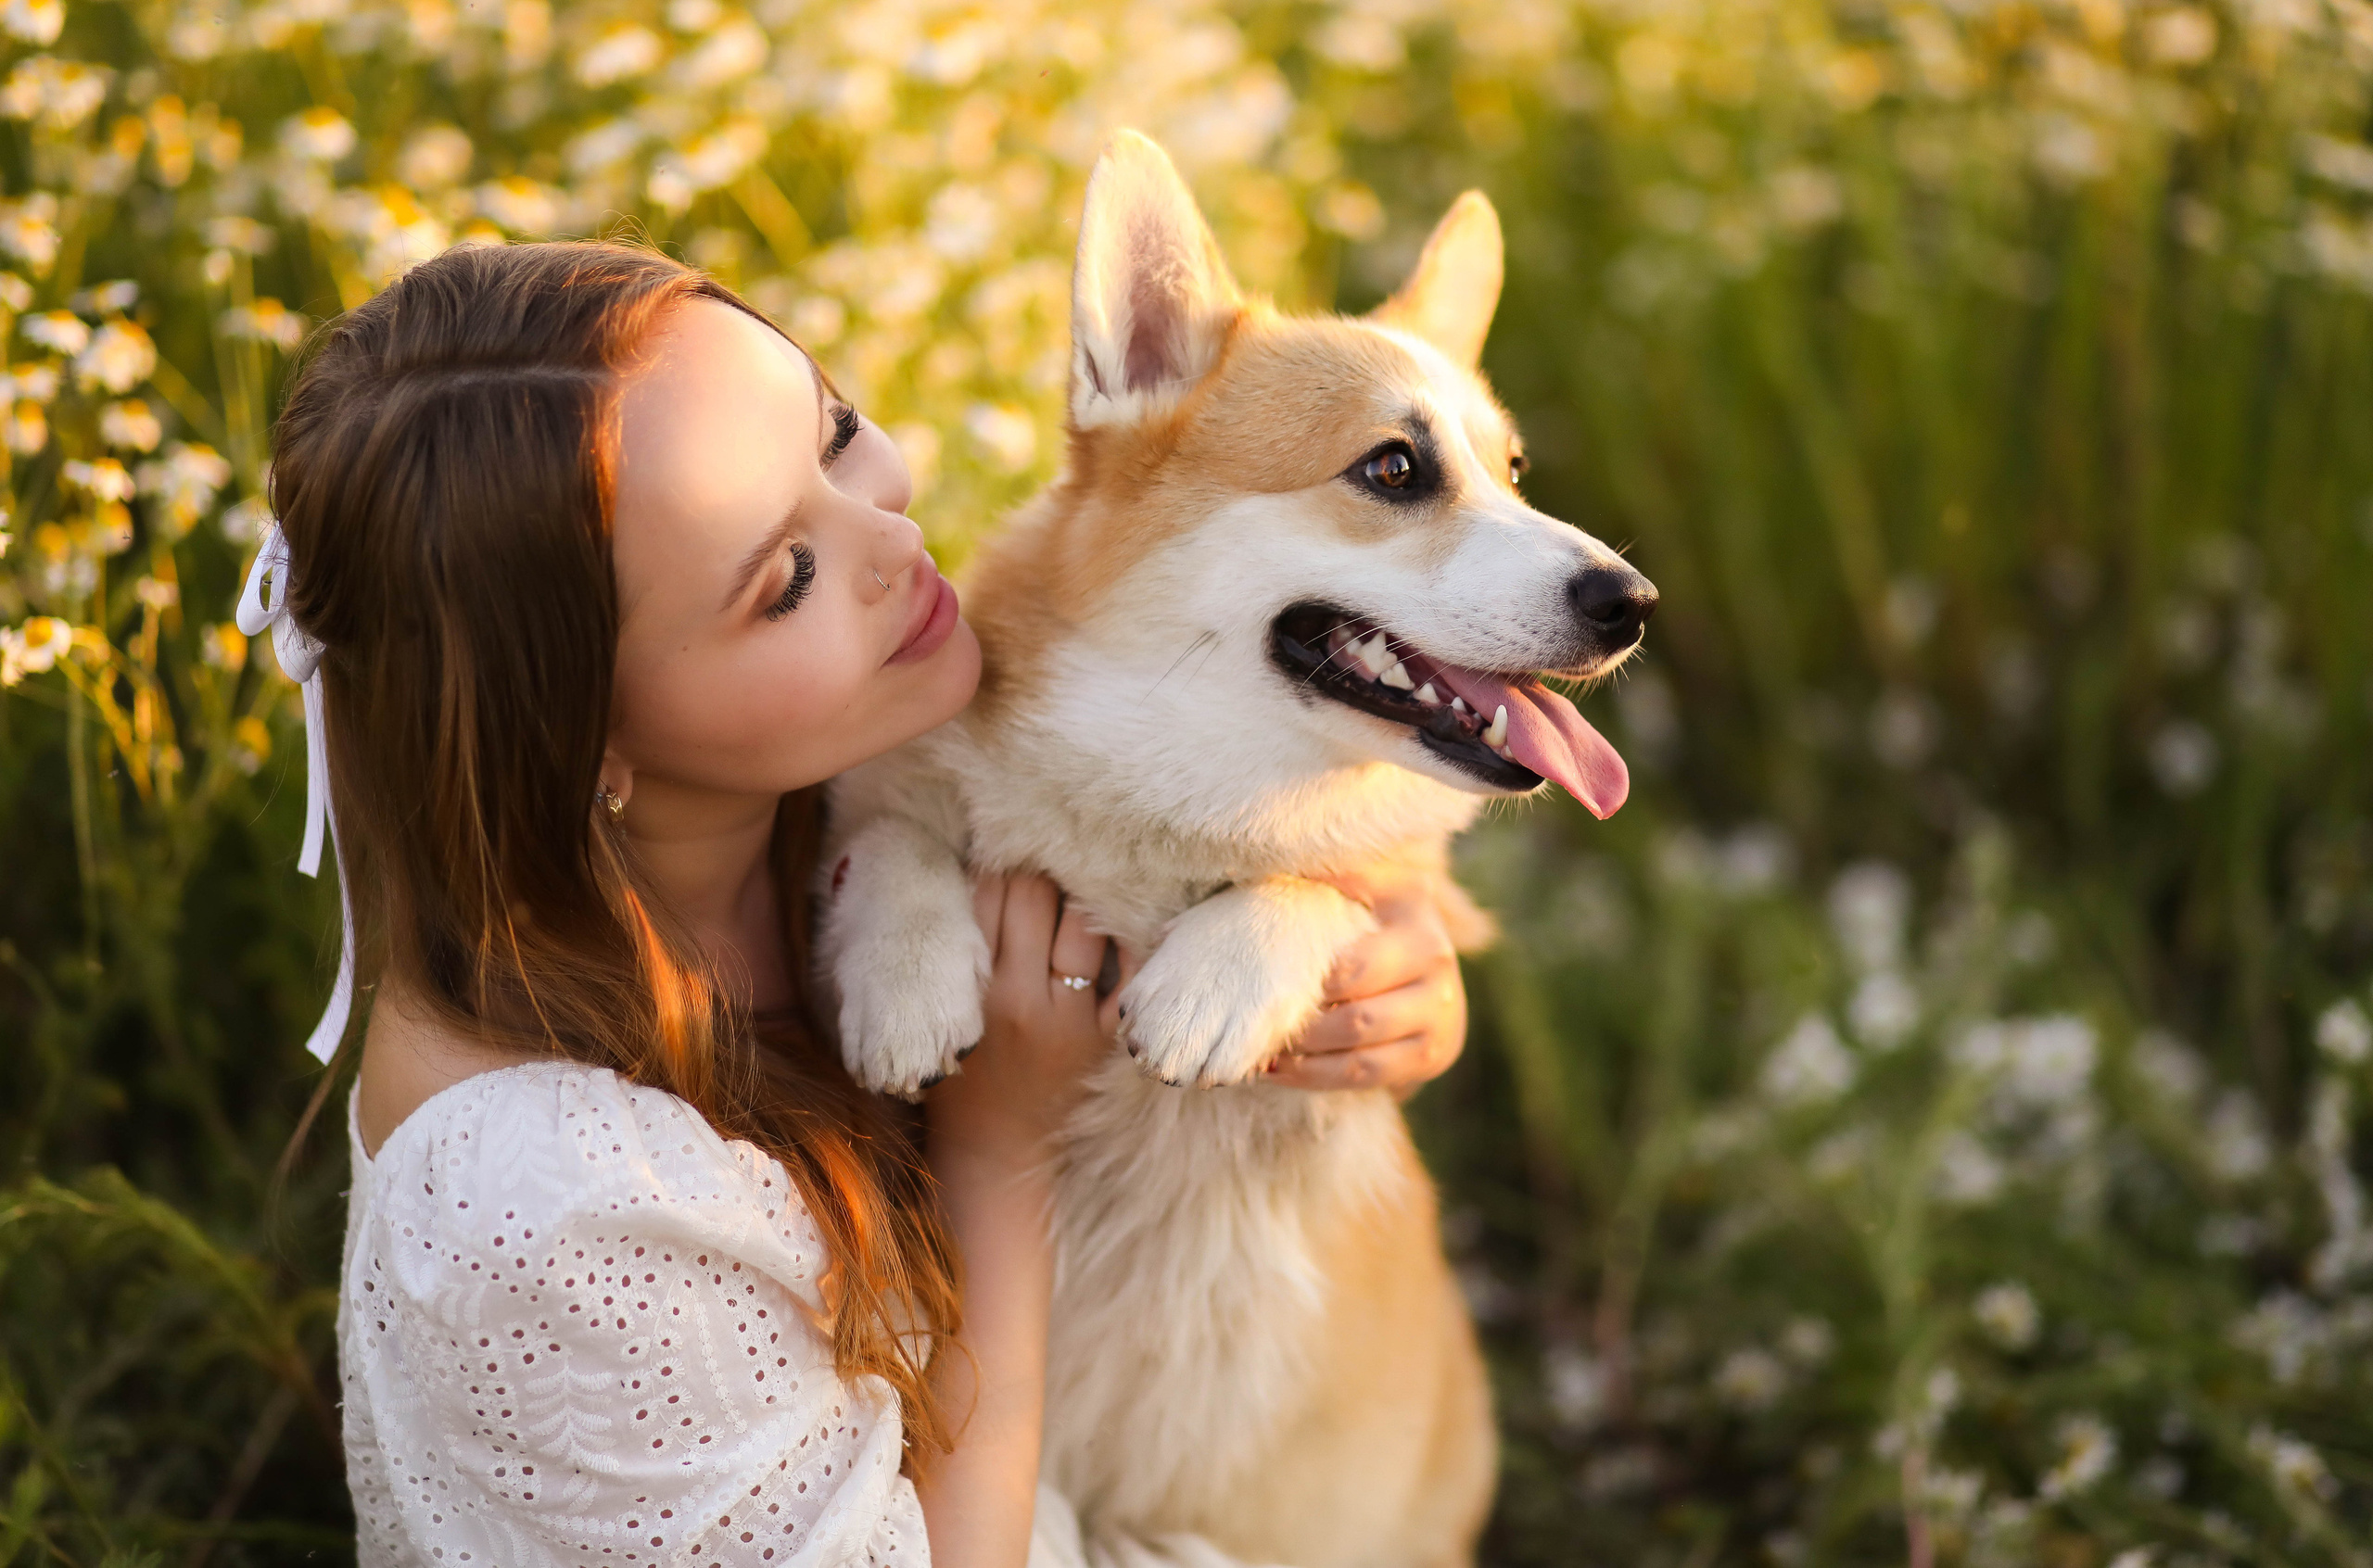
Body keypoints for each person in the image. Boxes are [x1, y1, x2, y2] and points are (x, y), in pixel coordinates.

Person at [256, 242, 1472, 1567]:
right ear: (581, 742)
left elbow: (1215, 806)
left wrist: (1372, 942)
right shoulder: (554, 1209)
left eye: (834, 432)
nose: (893, 537)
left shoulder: (793, 793)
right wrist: (992, 1145)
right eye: (784, 580)